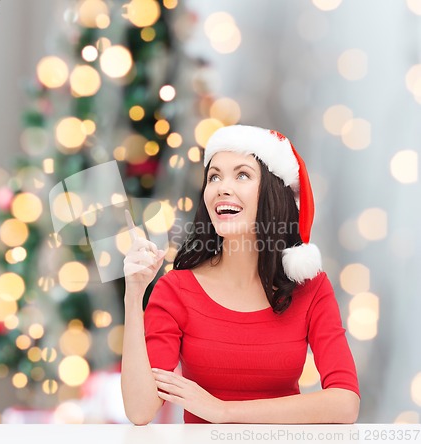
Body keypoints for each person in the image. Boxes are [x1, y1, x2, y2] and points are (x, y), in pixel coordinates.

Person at [121, 125, 360, 425]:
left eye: (242, 174)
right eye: (214, 176)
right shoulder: (175, 289)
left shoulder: (310, 289)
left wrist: (224, 412)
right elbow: (140, 411)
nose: (222, 186)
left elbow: (345, 403)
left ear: (272, 191)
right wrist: (133, 296)